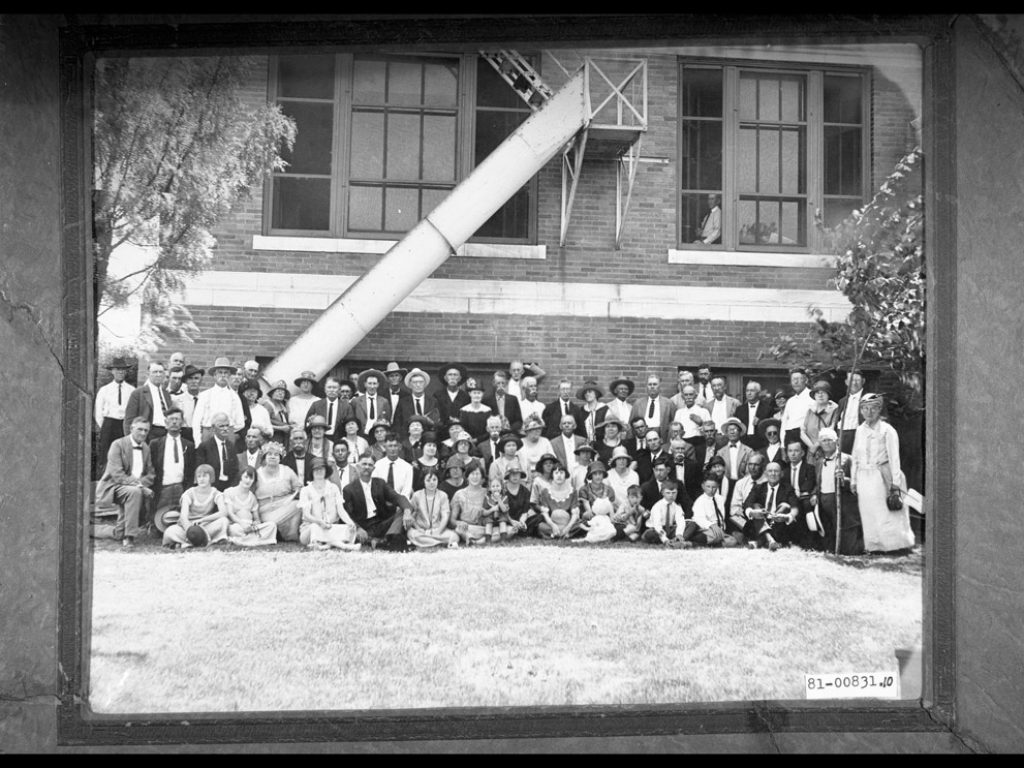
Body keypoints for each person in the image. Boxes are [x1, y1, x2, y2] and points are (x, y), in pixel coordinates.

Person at [851, 393, 915, 554]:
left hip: (882, 476)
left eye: (873, 408)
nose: (869, 412)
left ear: (879, 409)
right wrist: (853, 479)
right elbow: (855, 456)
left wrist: (895, 482)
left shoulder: (887, 430)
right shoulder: (859, 430)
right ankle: (874, 546)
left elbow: (894, 458)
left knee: (887, 512)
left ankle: (895, 546)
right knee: (869, 513)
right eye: (865, 408)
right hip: (864, 477)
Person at [95, 415, 155, 548]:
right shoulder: (118, 444)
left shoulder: (145, 448)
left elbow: (151, 474)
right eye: (140, 429)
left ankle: (93, 529)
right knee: (134, 492)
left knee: (118, 532)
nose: (143, 433)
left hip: (132, 489)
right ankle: (130, 537)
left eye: (146, 430)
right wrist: (140, 486)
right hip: (114, 487)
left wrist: (141, 484)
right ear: (131, 428)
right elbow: (116, 474)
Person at [342, 452, 413, 551]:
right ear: (357, 467)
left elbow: (397, 497)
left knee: (403, 509)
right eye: (364, 464)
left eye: (370, 465)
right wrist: (357, 528)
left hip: (382, 523)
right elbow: (347, 513)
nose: (367, 467)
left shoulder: (380, 483)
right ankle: (386, 541)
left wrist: (407, 511)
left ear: (373, 468)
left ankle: (387, 539)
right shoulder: (349, 489)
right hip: (364, 527)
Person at [813, 427, 863, 556]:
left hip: (842, 502)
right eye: (824, 441)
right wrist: (814, 494)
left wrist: (844, 479)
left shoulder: (847, 460)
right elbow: (818, 483)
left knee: (847, 543)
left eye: (830, 440)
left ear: (837, 441)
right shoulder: (819, 462)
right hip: (824, 501)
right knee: (829, 531)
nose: (827, 443)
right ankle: (831, 550)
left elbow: (858, 482)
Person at [149, 407, 195, 531]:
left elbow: (191, 471)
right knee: (160, 524)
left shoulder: (189, 445)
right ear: (166, 422)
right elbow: (150, 468)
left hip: (181, 488)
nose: (174, 422)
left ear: (182, 423)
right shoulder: (155, 444)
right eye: (171, 419)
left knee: (179, 521)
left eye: (177, 419)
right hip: (163, 489)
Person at [162, 464, 229, 549]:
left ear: (211, 477)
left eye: (205, 476)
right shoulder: (189, 493)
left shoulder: (215, 493)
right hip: (188, 526)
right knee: (170, 531)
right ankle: (191, 541)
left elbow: (223, 512)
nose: (201, 479)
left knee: (223, 521)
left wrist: (203, 520)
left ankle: (203, 540)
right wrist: (190, 531)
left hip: (205, 525)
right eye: (199, 476)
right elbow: (183, 517)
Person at [298, 458, 360, 551]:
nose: (319, 471)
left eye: (322, 469)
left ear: (326, 471)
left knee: (348, 528)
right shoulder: (306, 490)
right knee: (315, 528)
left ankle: (325, 545)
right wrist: (320, 522)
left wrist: (349, 522)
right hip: (311, 528)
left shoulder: (333, 488)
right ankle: (343, 546)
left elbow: (341, 510)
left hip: (331, 527)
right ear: (311, 472)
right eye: (316, 469)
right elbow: (306, 515)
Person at [743, 462, 800, 550]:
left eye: (776, 471)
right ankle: (770, 540)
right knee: (755, 506)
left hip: (777, 522)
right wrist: (753, 512)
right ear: (765, 473)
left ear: (781, 474)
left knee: (785, 506)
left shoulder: (787, 488)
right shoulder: (758, 487)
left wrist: (787, 517)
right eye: (770, 471)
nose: (773, 474)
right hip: (761, 521)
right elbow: (747, 503)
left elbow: (795, 506)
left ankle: (760, 541)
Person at [254, 441, 303, 542]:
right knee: (272, 522)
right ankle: (281, 533)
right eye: (269, 454)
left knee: (299, 505)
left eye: (276, 455)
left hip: (285, 506)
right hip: (265, 510)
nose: (273, 457)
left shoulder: (287, 470)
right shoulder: (257, 473)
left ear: (280, 458)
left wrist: (296, 493)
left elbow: (298, 488)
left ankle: (291, 534)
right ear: (264, 457)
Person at [192, 357, 245, 443]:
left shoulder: (234, 397)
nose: (223, 375)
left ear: (229, 375)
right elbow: (196, 421)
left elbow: (240, 423)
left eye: (226, 373)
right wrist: (198, 442)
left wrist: (228, 430)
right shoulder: (205, 395)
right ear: (214, 375)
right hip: (208, 433)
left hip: (227, 434)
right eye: (220, 373)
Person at [406, 467, 459, 549]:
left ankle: (426, 542)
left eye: (434, 480)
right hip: (421, 530)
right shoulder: (417, 495)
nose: (432, 483)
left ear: (438, 480)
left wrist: (438, 531)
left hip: (438, 530)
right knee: (411, 534)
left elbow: (445, 516)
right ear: (423, 481)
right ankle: (439, 543)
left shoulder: (443, 495)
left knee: (454, 536)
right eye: (428, 480)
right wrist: (418, 528)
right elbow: (411, 515)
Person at [223, 467, 278, 547]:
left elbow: (257, 519)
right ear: (240, 477)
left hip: (250, 527)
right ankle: (254, 541)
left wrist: (254, 524)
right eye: (246, 477)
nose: (248, 480)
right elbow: (230, 514)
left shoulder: (252, 497)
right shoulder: (229, 492)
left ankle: (242, 541)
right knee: (234, 529)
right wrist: (242, 524)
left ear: (254, 481)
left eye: (251, 478)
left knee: (272, 525)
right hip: (237, 525)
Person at [94, 356, 131, 474]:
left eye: (122, 369)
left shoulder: (131, 390)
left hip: (124, 425)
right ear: (112, 371)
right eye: (117, 369)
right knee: (106, 455)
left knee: (124, 455)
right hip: (109, 424)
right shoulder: (105, 390)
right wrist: (105, 426)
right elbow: (98, 411)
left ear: (125, 372)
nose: (120, 372)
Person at [681, 474, 737, 548]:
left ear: (717, 486)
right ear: (703, 486)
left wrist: (721, 529)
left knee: (732, 541)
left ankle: (698, 545)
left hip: (718, 529)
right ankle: (695, 543)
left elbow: (721, 518)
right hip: (705, 530)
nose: (711, 490)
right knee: (714, 536)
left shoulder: (720, 499)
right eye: (708, 487)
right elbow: (698, 519)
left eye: (714, 487)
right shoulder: (700, 501)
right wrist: (711, 525)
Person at [727, 452, 768, 547]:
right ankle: (750, 539)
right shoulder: (741, 483)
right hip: (745, 517)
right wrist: (745, 514)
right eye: (750, 464)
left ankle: (755, 539)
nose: (752, 468)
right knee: (732, 521)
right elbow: (734, 508)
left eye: (756, 465)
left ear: (762, 466)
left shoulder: (767, 482)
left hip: (762, 517)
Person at [123, 361, 172, 440]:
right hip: (148, 434)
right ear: (148, 374)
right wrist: (130, 440)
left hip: (166, 434)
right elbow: (129, 420)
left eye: (161, 372)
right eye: (155, 372)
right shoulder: (138, 393)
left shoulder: (166, 394)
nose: (158, 374)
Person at [194, 412, 240, 492]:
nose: (225, 428)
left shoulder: (230, 446)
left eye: (227, 425)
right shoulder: (205, 447)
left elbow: (235, 469)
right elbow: (201, 471)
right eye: (221, 426)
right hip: (211, 488)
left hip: (229, 488)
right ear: (213, 428)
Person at [784, 439, 818, 547]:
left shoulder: (810, 469)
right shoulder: (784, 471)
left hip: (804, 500)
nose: (793, 454)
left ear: (802, 453)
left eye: (796, 451)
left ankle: (810, 542)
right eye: (790, 451)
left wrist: (812, 494)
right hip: (790, 500)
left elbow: (813, 485)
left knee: (806, 506)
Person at [450, 460, 492, 545]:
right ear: (467, 477)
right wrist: (459, 522)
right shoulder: (459, 494)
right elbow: (452, 520)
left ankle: (475, 541)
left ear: (482, 478)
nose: (475, 477)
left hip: (484, 528)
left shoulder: (488, 493)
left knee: (509, 530)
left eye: (478, 474)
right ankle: (477, 539)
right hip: (467, 528)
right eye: (472, 474)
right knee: (459, 529)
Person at [534, 462, 579, 539]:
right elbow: (545, 513)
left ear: (565, 475)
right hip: (552, 523)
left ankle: (560, 534)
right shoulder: (546, 492)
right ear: (552, 475)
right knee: (540, 526)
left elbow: (575, 514)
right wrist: (553, 525)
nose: (559, 476)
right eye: (556, 473)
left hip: (567, 523)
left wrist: (568, 527)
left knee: (580, 525)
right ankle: (561, 534)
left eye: (561, 473)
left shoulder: (572, 492)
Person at [718, 417, 753, 510]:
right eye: (729, 430)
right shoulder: (720, 452)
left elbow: (750, 471)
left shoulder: (748, 451)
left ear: (740, 432)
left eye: (735, 429)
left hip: (742, 484)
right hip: (726, 485)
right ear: (726, 433)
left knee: (740, 511)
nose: (732, 432)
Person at [305, 376, 355, 442]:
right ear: (325, 389)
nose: (331, 390)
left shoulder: (346, 406)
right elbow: (307, 424)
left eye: (334, 387)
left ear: (339, 390)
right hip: (320, 439)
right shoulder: (316, 405)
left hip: (339, 440)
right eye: (329, 387)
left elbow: (350, 424)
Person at [393, 367, 440, 434]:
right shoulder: (403, 402)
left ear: (425, 384)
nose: (418, 385)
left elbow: (437, 422)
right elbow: (397, 424)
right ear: (410, 384)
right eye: (415, 382)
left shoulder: (433, 401)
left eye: (421, 382)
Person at [801, 380, 840, 459]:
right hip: (811, 452)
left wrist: (816, 446)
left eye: (823, 392)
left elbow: (830, 430)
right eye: (817, 393)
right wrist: (812, 447)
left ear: (828, 395)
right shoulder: (810, 410)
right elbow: (802, 432)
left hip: (827, 452)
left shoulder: (834, 410)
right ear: (814, 396)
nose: (820, 395)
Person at [577, 460, 620, 531]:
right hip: (589, 518)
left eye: (600, 474)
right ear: (591, 476)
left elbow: (611, 508)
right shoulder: (584, 489)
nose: (598, 477)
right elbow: (587, 509)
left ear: (603, 474)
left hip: (606, 518)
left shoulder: (609, 490)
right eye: (595, 474)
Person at [629, 374, 675, 442]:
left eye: (655, 384)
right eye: (650, 384)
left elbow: (673, 423)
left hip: (661, 437)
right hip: (643, 436)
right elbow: (631, 424)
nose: (652, 387)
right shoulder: (638, 403)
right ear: (647, 387)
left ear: (659, 386)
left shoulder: (668, 403)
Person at [641, 478, 685, 546]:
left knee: (691, 524)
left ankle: (677, 540)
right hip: (655, 529)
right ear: (662, 493)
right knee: (650, 534)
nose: (671, 495)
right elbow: (657, 525)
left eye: (674, 493)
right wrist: (665, 540)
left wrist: (679, 534)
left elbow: (680, 521)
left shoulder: (677, 507)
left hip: (669, 529)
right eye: (668, 493)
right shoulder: (657, 506)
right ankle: (670, 541)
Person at [372, 432, 414, 499]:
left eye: (395, 446)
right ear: (385, 447)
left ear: (399, 447)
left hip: (400, 504)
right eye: (390, 446)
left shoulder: (407, 467)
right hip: (381, 503)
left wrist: (400, 505)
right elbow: (374, 486)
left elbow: (407, 490)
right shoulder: (378, 465)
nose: (393, 449)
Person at [353, 368, 392, 440]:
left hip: (378, 436)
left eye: (374, 383)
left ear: (378, 384)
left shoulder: (384, 401)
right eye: (369, 383)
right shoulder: (356, 401)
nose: (372, 386)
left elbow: (387, 419)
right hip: (362, 436)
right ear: (365, 384)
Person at [502, 464, 540, 538]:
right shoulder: (502, 490)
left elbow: (525, 510)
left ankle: (522, 530)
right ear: (508, 476)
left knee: (539, 516)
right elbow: (501, 512)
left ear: (520, 475)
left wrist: (522, 521)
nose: (515, 476)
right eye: (512, 474)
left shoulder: (525, 491)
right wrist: (512, 521)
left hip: (520, 519)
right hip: (506, 519)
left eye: (517, 474)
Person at [737, 380, 774, 450]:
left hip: (761, 444)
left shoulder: (767, 409)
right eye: (747, 391)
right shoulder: (739, 409)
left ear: (758, 393)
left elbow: (770, 427)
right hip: (743, 444)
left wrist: (760, 422)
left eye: (752, 391)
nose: (749, 393)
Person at [781, 367, 814, 448]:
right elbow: (784, 423)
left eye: (798, 379)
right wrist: (782, 445)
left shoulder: (812, 397)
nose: (796, 382)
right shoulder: (790, 401)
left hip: (805, 437)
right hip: (789, 437)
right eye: (793, 379)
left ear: (805, 380)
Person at [483, 369, 523, 434]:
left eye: (503, 383)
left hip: (510, 433)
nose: (501, 385)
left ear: (506, 383)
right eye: (498, 383)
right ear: (494, 383)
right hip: (493, 433)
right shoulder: (487, 400)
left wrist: (510, 429)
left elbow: (519, 420)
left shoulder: (513, 399)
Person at [837, 371, 868, 454]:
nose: (854, 383)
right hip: (842, 436)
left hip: (859, 437)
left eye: (857, 380)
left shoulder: (869, 399)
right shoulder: (842, 401)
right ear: (846, 382)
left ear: (863, 381)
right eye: (851, 380)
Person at [172, 364, 204, 444]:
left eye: (196, 378)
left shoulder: (205, 399)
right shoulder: (177, 400)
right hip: (184, 436)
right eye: (190, 378)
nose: (193, 381)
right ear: (186, 381)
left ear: (200, 380)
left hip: (202, 435)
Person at [516, 415, 553, 481]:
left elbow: (552, 459)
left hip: (544, 476)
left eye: (539, 429)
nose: (537, 431)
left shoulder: (545, 441)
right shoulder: (520, 442)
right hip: (524, 477)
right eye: (534, 429)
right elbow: (516, 462)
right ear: (527, 431)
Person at [458, 377, 493, 442]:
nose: (476, 395)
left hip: (484, 441)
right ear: (470, 394)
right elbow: (463, 429)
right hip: (467, 441)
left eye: (479, 393)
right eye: (474, 393)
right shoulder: (464, 410)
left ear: (482, 394)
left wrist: (476, 440)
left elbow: (489, 430)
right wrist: (469, 440)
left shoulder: (488, 410)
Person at [481, 476, 512, 542]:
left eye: (497, 486)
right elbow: (483, 512)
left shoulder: (505, 497)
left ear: (502, 487)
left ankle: (503, 540)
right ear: (489, 488)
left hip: (501, 516)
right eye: (493, 486)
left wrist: (499, 499)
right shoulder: (487, 498)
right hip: (490, 517)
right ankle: (488, 540)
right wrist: (492, 509)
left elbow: (504, 510)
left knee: (503, 521)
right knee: (488, 523)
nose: (495, 488)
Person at [262, 379, 292, 446]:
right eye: (278, 391)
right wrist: (281, 428)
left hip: (282, 439)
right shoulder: (268, 405)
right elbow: (263, 424)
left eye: (283, 392)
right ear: (272, 393)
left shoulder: (282, 406)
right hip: (271, 439)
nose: (281, 393)